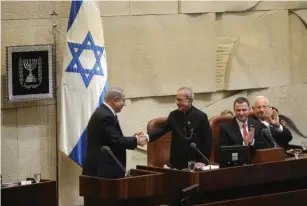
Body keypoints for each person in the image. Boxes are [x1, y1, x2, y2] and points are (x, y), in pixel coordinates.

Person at [82, 87, 147, 179]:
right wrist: (136, 140)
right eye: (123, 100)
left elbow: (112, 140)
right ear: (115, 100)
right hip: (102, 173)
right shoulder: (105, 116)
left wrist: (134, 138)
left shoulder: (105, 112)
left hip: (104, 171)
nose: (124, 104)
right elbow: (116, 141)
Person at [143, 87, 212, 170]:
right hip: (176, 164)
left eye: (180, 100)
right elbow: (162, 129)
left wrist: (203, 161)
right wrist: (146, 136)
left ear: (189, 101)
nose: (177, 103)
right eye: (176, 100)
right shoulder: (173, 115)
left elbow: (207, 141)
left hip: (195, 164)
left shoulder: (201, 117)